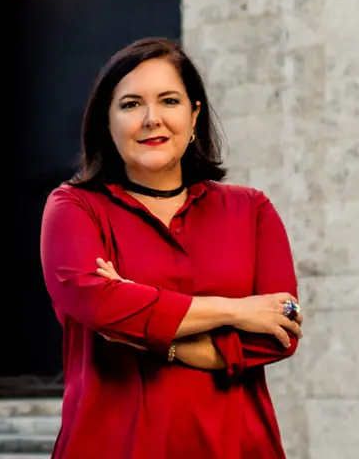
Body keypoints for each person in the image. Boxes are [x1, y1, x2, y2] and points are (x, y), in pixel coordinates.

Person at [39, 37, 302, 459]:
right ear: (106, 122)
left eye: (168, 100)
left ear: (194, 114)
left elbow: (282, 328)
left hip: (236, 446)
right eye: (129, 105)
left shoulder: (251, 209)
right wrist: (238, 310)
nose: (151, 119)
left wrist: (148, 329)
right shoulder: (74, 207)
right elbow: (100, 306)